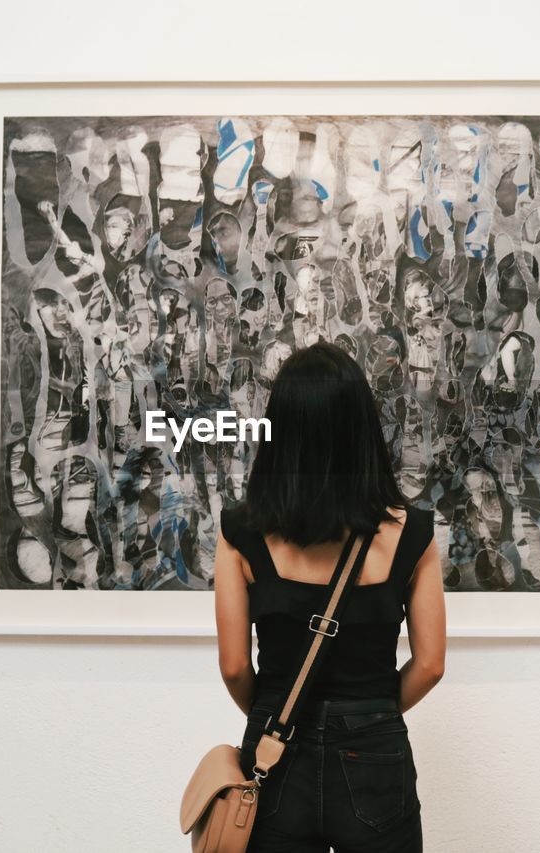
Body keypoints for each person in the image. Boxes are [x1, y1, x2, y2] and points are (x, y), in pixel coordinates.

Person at [214, 340, 447, 852]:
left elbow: (234, 667)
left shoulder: (240, 533)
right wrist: (372, 714)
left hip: (275, 756)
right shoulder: (414, 534)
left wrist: (277, 715)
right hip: (375, 754)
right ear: (361, 429)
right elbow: (429, 665)